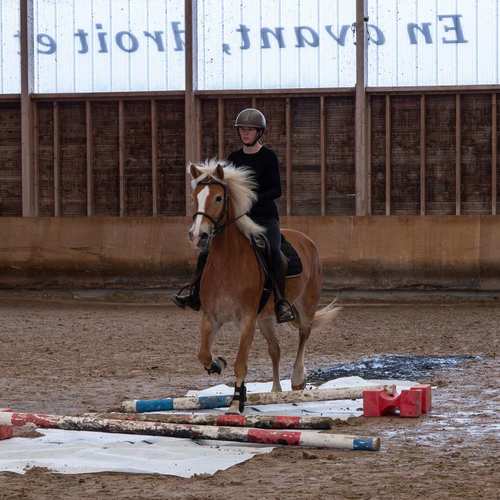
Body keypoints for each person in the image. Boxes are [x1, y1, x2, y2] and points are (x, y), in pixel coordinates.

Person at [173, 108, 295, 323]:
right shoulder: (233, 158)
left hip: (264, 217)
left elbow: (276, 190)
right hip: (237, 218)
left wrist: (250, 199)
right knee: (206, 252)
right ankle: (195, 294)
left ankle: (281, 302)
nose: (245, 134)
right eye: (242, 130)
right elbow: (224, 189)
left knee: (275, 253)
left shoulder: (268, 157)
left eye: (250, 130)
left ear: (259, 132)